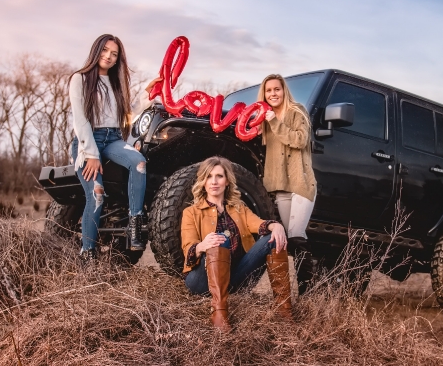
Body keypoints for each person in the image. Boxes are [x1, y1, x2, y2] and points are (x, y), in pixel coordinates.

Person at [70, 34, 161, 260]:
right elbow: (80, 119)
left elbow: (126, 113)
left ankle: (135, 224)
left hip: (113, 139)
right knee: (97, 195)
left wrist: (148, 94)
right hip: (87, 142)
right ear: (96, 50)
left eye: (114, 54)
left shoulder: (116, 82)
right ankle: (87, 254)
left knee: (139, 162)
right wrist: (91, 155)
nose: (109, 57)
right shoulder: (79, 79)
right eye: (105, 51)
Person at [181, 156, 292, 331]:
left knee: (271, 238)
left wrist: (275, 225)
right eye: (209, 176)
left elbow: (258, 223)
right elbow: (188, 248)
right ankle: (219, 313)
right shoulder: (191, 212)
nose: (214, 181)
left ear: (227, 181)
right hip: (202, 280)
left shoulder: (239, 208)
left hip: (236, 276)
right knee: (219, 239)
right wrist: (203, 245)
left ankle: (284, 309)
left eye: (219, 176)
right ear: (203, 182)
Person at [257, 74, 317, 294]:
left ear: (284, 91)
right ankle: (284, 294)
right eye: (269, 90)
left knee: (296, 234)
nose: (273, 94)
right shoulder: (263, 119)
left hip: (301, 182)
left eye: (277, 89)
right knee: (288, 240)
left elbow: (300, 140)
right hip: (281, 187)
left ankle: (307, 293)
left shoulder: (297, 111)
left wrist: (274, 120)